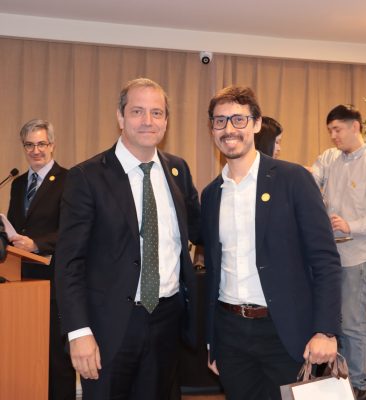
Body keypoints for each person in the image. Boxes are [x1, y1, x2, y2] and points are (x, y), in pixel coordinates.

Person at [55, 77, 201, 400]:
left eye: (156, 113)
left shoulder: (178, 170)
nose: (148, 121)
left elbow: (200, 230)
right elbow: (69, 263)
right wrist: (78, 331)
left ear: (166, 121)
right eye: (137, 111)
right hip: (108, 327)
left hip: (167, 322)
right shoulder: (86, 177)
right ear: (120, 117)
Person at [201, 85, 342, 400]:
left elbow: (325, 260)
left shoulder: (293, 180)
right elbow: (213, 272)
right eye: (220, 121)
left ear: (256, 123)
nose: (229, 129)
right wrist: (212, 341)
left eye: (238, 119)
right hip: (230, 335)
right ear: (212, 129)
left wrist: (326, 330)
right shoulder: (211, 195)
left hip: (286, 332)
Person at [311, 104, 366, 400]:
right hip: (329, 257)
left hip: (358, 257)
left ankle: (357, 384)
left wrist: (351, 225)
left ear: (355, 126)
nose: (333, 136)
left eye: (337, 129)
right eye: (330, 131)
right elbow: (310, 179)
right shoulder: (329, 158)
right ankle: (338, 380)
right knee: (332, 322)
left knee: (352, 323)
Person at [7, 119, 76, 400]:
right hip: (20, 281)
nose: (35, 151)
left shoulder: (69, 180)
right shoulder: (18, 183)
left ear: (52, 145)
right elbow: (16, 226)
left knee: (56, 358)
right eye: (29, 145)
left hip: (54, 281)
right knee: (26, 353)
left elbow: (72, 229)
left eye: (41, 144)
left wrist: (36, 244)